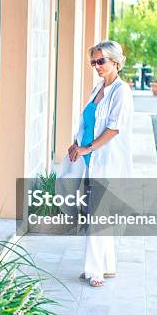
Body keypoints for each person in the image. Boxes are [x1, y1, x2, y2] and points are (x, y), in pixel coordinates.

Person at [67, 40, 134, 287]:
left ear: (116, 62)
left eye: (101, 61)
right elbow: (87, 121)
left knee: (96, 214)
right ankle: (107, 266)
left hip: (105, 159)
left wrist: (89, 147)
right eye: (94, 61)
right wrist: (76, 143)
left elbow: (114, 128)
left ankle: (94, 271)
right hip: (88, 158)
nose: (96, 66)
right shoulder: (98, 88)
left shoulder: (121, 91)